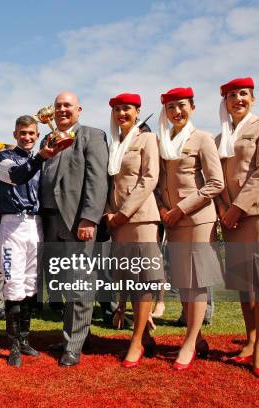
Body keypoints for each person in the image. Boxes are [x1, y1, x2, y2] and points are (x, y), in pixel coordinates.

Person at [215, 77, 259, 378]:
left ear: (252, 98)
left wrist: (236, 207)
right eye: (232, 95)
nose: (238, 100)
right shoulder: (220, 139)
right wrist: (223, 209)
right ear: (226, 102)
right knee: (244, 283)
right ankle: (248, 341)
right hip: (232, 219)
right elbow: (216, 179)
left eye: (243, 94)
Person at [155, 87, 224, 370]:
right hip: (172, 220)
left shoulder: (203, 138)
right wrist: (162, 209)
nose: (176, 112)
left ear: (192, 107)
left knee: (196, 282)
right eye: (171, 107)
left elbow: (215, 183)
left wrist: (181, 209)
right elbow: (159, 184)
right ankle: (199, 339)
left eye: (181, 106)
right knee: (183, 282)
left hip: (196, 219)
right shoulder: (164, 141)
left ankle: (189, 342)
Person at [39, 92, 109, 367]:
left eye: (67, 105)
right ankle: (80, 337)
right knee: (67, 286)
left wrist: (90, 218)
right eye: (58, 106)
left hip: (77, 222)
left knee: (81, 284)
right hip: (50, 223)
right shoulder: (49, 139)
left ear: (79, 109)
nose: (62, 109)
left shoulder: (92, 136)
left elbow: (97, 179)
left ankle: (73, 346)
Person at [0, 115, 62, 367]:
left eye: (32, 133)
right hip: (12, 224)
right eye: (23, 133)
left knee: (31, 284)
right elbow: (17, 175)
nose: (27, 137)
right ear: (15, 134)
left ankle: (24, 339)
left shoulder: (41, 160)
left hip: (36, 224)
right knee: (13, 282)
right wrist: (40, 157)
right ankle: (11, 345)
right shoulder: (4, 157)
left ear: (37, 134)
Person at [104, 93, 164, 368]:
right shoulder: (114, 143)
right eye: (117, 109)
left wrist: (123, 213)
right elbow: (108, 184)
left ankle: (137, 340)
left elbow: (150, 177)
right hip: (118, 221)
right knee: (129, 279)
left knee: (144, 280)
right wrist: (109, 212)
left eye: (126, 109)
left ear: (137, 111)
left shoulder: (147, 138)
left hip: (139, 218)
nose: (121, 114)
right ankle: (145, 338)